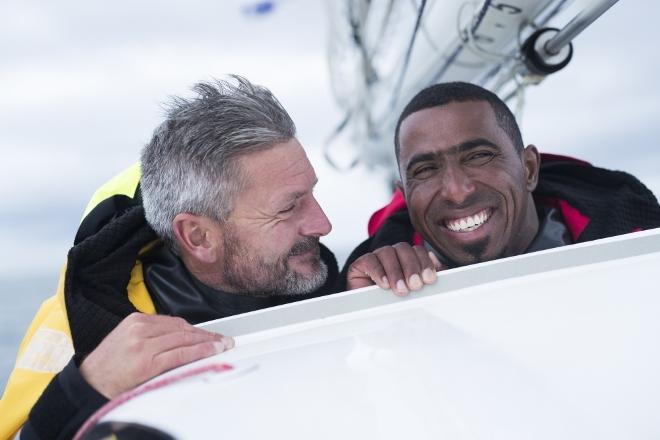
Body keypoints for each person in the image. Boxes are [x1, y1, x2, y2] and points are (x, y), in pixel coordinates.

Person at [0, 76, 338, 439]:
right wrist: (84, 391)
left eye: (311, 194)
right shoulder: (83, 332)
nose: (324, 224)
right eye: (289, 208)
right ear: (199, 237)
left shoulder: (334, 278)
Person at [343, 81, 660, 292]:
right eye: (426, 169)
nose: (457, 190)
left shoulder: (638, 239)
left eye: (479, 156)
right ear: (406, 193)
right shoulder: (375, 283)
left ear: (529, 168)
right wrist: (360, 314)